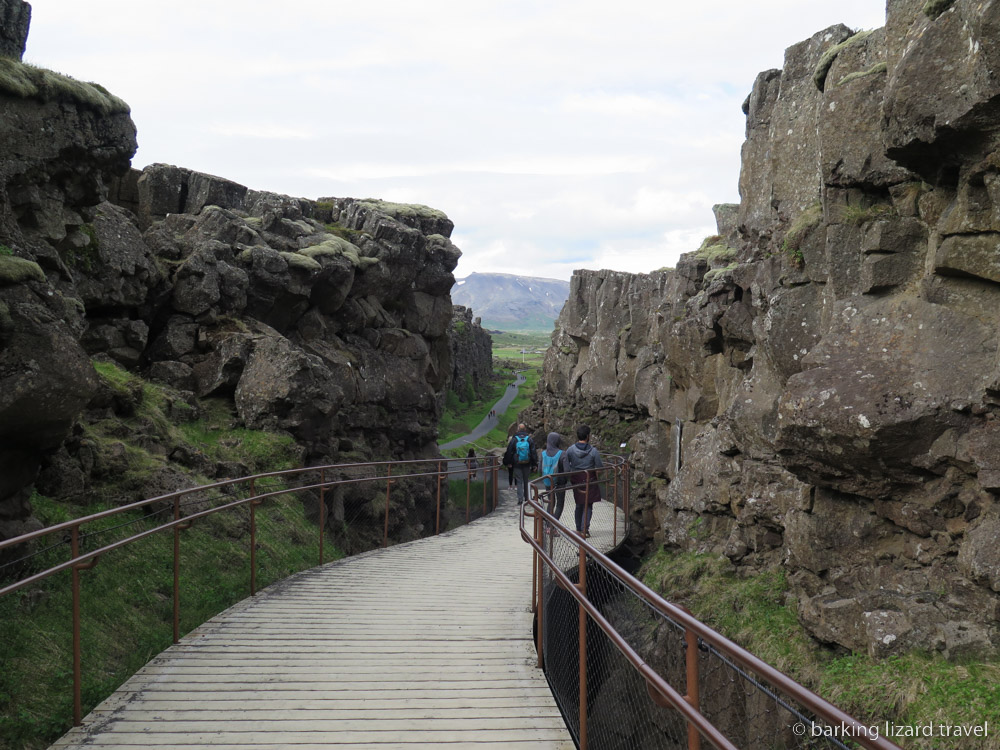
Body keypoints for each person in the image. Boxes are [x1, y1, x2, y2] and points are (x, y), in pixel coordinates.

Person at [564, 424, 603, 537]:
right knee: (588, 505)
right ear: (587, 436)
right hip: (589, 479)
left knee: (578, 504)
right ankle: (584, 529)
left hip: (576, 479)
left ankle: (578, 528)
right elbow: (599, 467)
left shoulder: (570, 450)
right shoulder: (593, 451)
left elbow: (566, 464)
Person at [503, 423, 537, 505]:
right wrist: (534, 464)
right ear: (525, 429)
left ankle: (520, 499)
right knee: (526, 481)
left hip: (517, 463)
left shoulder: (514, 439)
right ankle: (527, 498)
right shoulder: (529, 439)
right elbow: (533, 452)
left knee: (519, 481)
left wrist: (508, 463)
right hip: (527, 463)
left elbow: (509, 451)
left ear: (517, 430)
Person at [539, 432, 567, 521]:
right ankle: (553, 527)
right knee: (560, 504)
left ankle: (548, 525)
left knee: (551, 502)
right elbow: (567, 470)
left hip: (548, 481)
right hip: (560, 483)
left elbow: (540, 470)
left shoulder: (543, 454)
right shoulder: (562, 454)